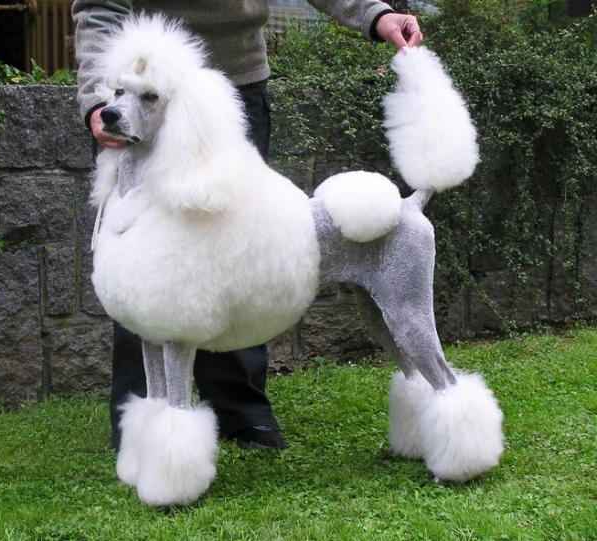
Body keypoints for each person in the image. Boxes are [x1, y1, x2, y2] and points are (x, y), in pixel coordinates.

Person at [72, 0, 422, 452]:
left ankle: (240, 412)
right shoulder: (124, 100)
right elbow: (98, 9)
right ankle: (144, 415)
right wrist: (100, 100)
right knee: (141, 272)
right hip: (135, 93)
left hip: (234, 85)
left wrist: (372, 13)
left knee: (244, 259)